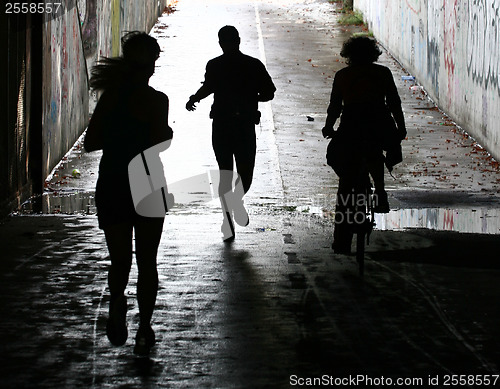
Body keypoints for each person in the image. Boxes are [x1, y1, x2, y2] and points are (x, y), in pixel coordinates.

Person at [84, 31, 173, 356]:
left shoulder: (111, 98)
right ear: (150, 66)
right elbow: (159, 140)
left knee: (120, 260)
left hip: (114, 183)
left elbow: (91, 142)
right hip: (149, 183)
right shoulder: (158, 101)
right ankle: (145, 326)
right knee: (147, 262)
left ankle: (119, 303)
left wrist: (122, 135)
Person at [186, 25, 276, 241]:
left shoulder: (215, 65)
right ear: (238, 40)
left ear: (220, 43)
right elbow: (269, 92)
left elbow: (208, 87)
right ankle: (236, 201)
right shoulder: (253, 65)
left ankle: (227, 218)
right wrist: (251, 100)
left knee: (225, 172)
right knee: (245, 173)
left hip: (221, 125)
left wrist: (194, 98)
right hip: (244, 125)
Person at [322, 36, 406, 254]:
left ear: (349, 55)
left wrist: (328, 127)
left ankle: (341, 241)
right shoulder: (382, 73)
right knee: (376, 150)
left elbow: (335, 107)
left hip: (351, 125)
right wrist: (400, 128)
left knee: (341, 168)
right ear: (372, 54)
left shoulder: (343, 76)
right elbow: (394, 102)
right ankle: (380, 191)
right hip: (379, 122)